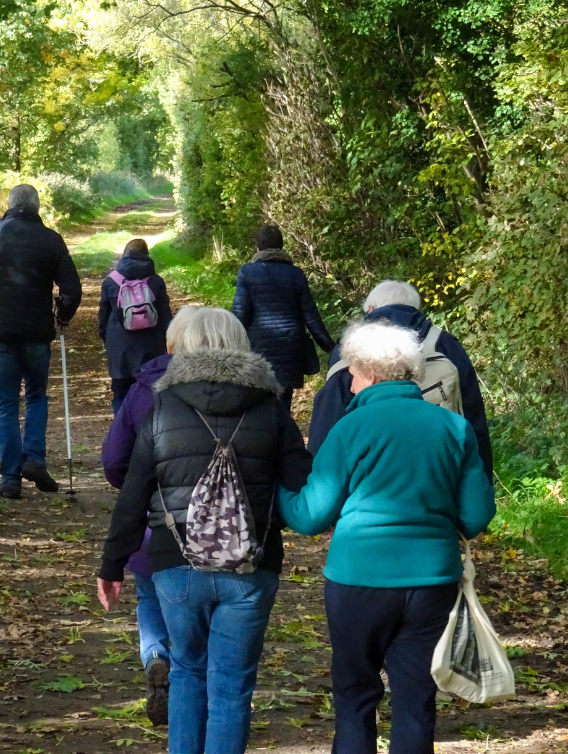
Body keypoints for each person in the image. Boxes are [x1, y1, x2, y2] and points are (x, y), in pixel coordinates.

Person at [97, 307, 312, 754]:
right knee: (232, 686)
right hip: (251, 566)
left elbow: (134, 493)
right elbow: (299, 482)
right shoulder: (270, 409)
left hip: (177, 564)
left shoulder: (161, 406)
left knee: (187, 670)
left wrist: (112, 565)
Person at [277, 320, 495, 754]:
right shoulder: (451, 427)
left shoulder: (349, 429)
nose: (352, 387)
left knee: (356, 695)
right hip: (432, 582)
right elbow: (475, 515)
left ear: (371, 373)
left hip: (359, 579)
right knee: (416, 700)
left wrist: (275, 494)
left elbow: (310, 517)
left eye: (353, 375)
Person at [100, 305, 199, 727]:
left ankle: (155, 656)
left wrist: (139, 487)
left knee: (150, 595)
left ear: (171, 342)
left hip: (153, 520)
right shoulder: (240, 390)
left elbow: (113, 460)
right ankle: (183, 666)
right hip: (220, 528)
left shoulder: (144, 389)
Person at [0, 184, 82, 499]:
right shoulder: (51, 240)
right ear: (37, 208)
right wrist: (63, 316)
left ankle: (10, 479)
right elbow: (72, 289)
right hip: (37, 332)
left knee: (6, 403)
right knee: (37, 397)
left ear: (9, 205)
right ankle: (35, 460)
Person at [307, 280, 493, 479]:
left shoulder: (350, 351)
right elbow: (473, 415)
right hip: (443, 475)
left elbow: (327, 423)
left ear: (370, 309)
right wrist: (483, 479)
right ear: (415, 309)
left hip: (370, 481)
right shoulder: (445, 344)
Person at [231, 225, 335, 413]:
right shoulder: (296, 274)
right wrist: (332, 348)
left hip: (259, 349)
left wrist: (228, 345)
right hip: (290, 349)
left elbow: (240, 314)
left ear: (258, 247)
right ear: (281, 246)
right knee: (283, 405)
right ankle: (284, 438)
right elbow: (310, 315)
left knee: (259, 402)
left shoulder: (247, 272)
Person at [98, 238, 173, 414]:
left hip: (119, 346)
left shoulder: (111, 281)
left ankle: (122, 434)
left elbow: (103, 316)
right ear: (147, 255)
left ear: (124, 254)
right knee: (149, 393)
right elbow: (165, 315)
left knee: (120, 394)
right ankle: (146, 436)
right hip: (150, 346)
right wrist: (168, 341)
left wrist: (106, 338)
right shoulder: (155, 281)